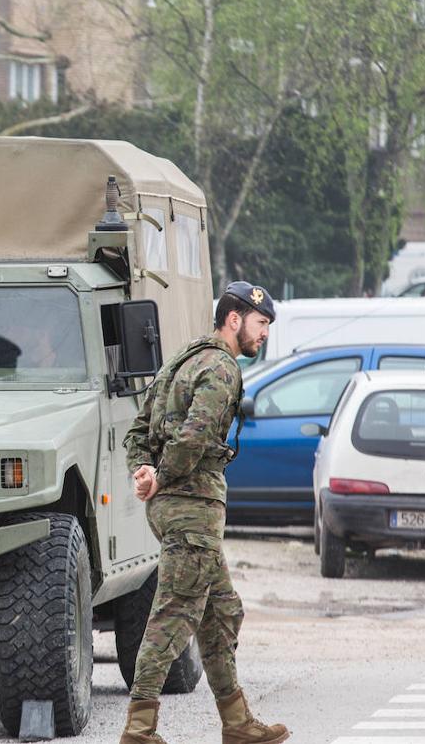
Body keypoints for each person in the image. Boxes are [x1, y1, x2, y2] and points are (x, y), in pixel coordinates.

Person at [119, 282, 289, 744]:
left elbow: (136, 429)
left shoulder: (183, 358)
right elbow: (194, 437)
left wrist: (144, 470)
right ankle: (139, 729)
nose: (264, 335)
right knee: (174, 615)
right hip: (191, 508)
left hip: (173, 507)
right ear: (234, 320)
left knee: (222, 611)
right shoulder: (221, 366)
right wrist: (161, 475)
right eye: (260, 324)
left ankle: (237, 723)